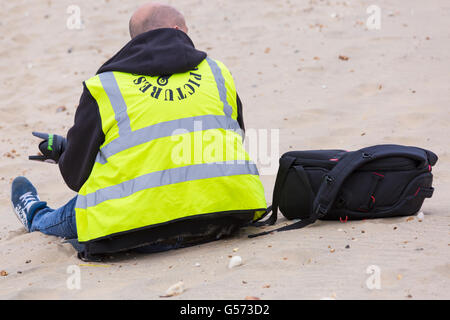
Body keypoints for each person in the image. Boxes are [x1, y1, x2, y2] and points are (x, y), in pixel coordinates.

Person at [11, 2, 267, 260]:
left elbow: (77, 178)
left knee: (76, 210)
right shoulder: (217, 72)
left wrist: (65, 153)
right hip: (227, 217)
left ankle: (35, 215)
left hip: (138, 233)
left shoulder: (105, 86)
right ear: (178, 29)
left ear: (136, 40)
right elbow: (234, 137)